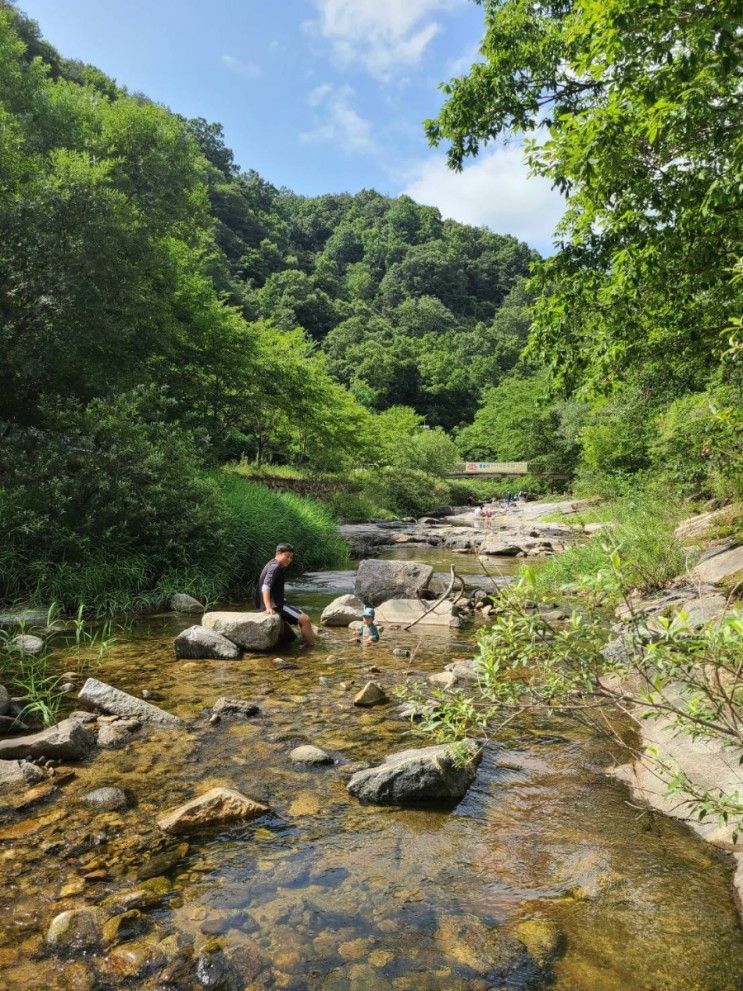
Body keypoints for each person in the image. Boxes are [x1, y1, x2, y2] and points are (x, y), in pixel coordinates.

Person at [255, 542, 315, 648]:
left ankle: (304, 641)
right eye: (287, 556)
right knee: (305, 619)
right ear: (278, 553)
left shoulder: (272, 564)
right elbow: (265, 587)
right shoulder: (275, 567)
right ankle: (311, 647)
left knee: (300, 612)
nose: (289, 560)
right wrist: (268, 607)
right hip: (276, 606)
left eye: (291, 558)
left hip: (274, 603)